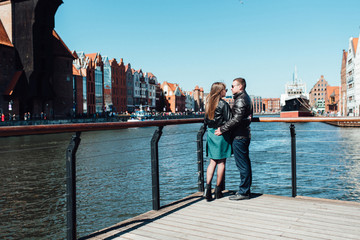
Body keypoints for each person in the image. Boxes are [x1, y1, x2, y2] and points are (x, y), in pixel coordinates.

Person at [215, 77, 253, 200]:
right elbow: (242, 117)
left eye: (232, 86)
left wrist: (222, 129)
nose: (231, 88)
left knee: (242, 164)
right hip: (242, 134)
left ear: (240, 86)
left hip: (239, 136)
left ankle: (244, 192)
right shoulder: (244, 98)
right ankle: (244, 190)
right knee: (244, 163)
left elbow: (236, 119)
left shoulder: (241, 99)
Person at [203, 82, 232, 201]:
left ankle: (207, 189)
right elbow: (230, 120)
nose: (226, 92)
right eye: (225, 90)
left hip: (211, 133)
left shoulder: (208, 103)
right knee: (221, 163)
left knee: (212, 162)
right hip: (221, 134)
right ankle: (218, 190)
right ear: (220, 91)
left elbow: (205, 120)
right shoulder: (223, 104)